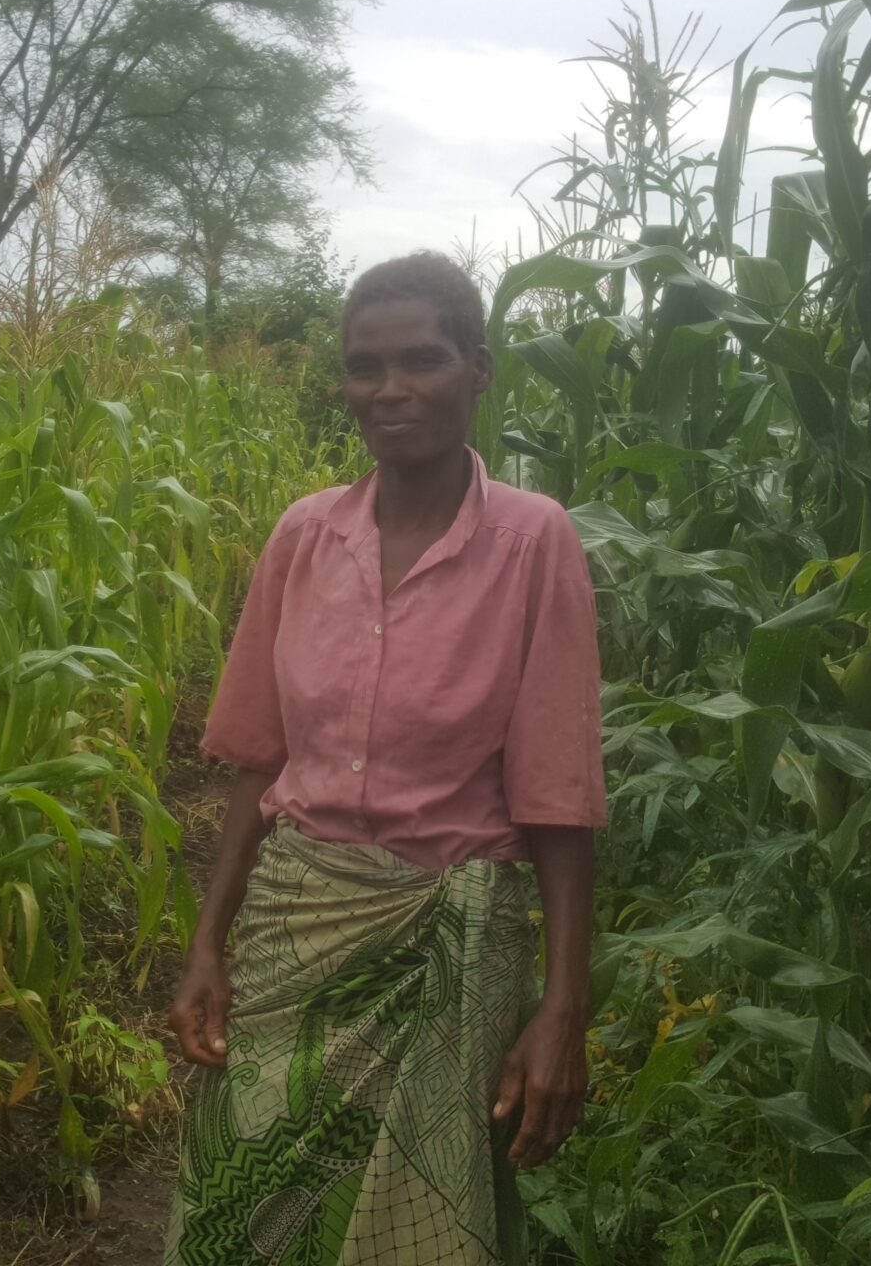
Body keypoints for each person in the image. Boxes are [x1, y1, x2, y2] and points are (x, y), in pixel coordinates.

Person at [161, 251, 606, 1265]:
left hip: (449, 940)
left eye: (422, 359)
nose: (390, 389)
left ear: (478, 370)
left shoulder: (534, 542)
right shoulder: (303, 537)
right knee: (240, 1206)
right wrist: (206, 946)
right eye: (366, 366)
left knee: (419, 1217)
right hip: (293, 921)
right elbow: (256, 765)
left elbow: (559, 794)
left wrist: (563, 1007)